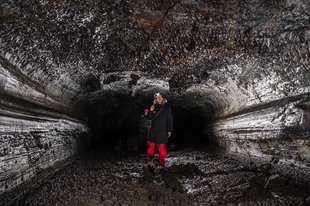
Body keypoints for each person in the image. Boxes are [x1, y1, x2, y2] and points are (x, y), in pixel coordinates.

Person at [146, 93, 173, 169]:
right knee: (150, 150)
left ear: (163, 98)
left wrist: (169, 130)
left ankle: (161, 163)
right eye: (158, 97)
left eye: (161, 97)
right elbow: (149, 118)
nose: (159, 98)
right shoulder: (153, 107)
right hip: (153, 131)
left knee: (163, 152)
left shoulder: (167, 108)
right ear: (156, 99)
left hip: (162, 131)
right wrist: (150, 111)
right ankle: (150, 158)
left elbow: (170, 120)